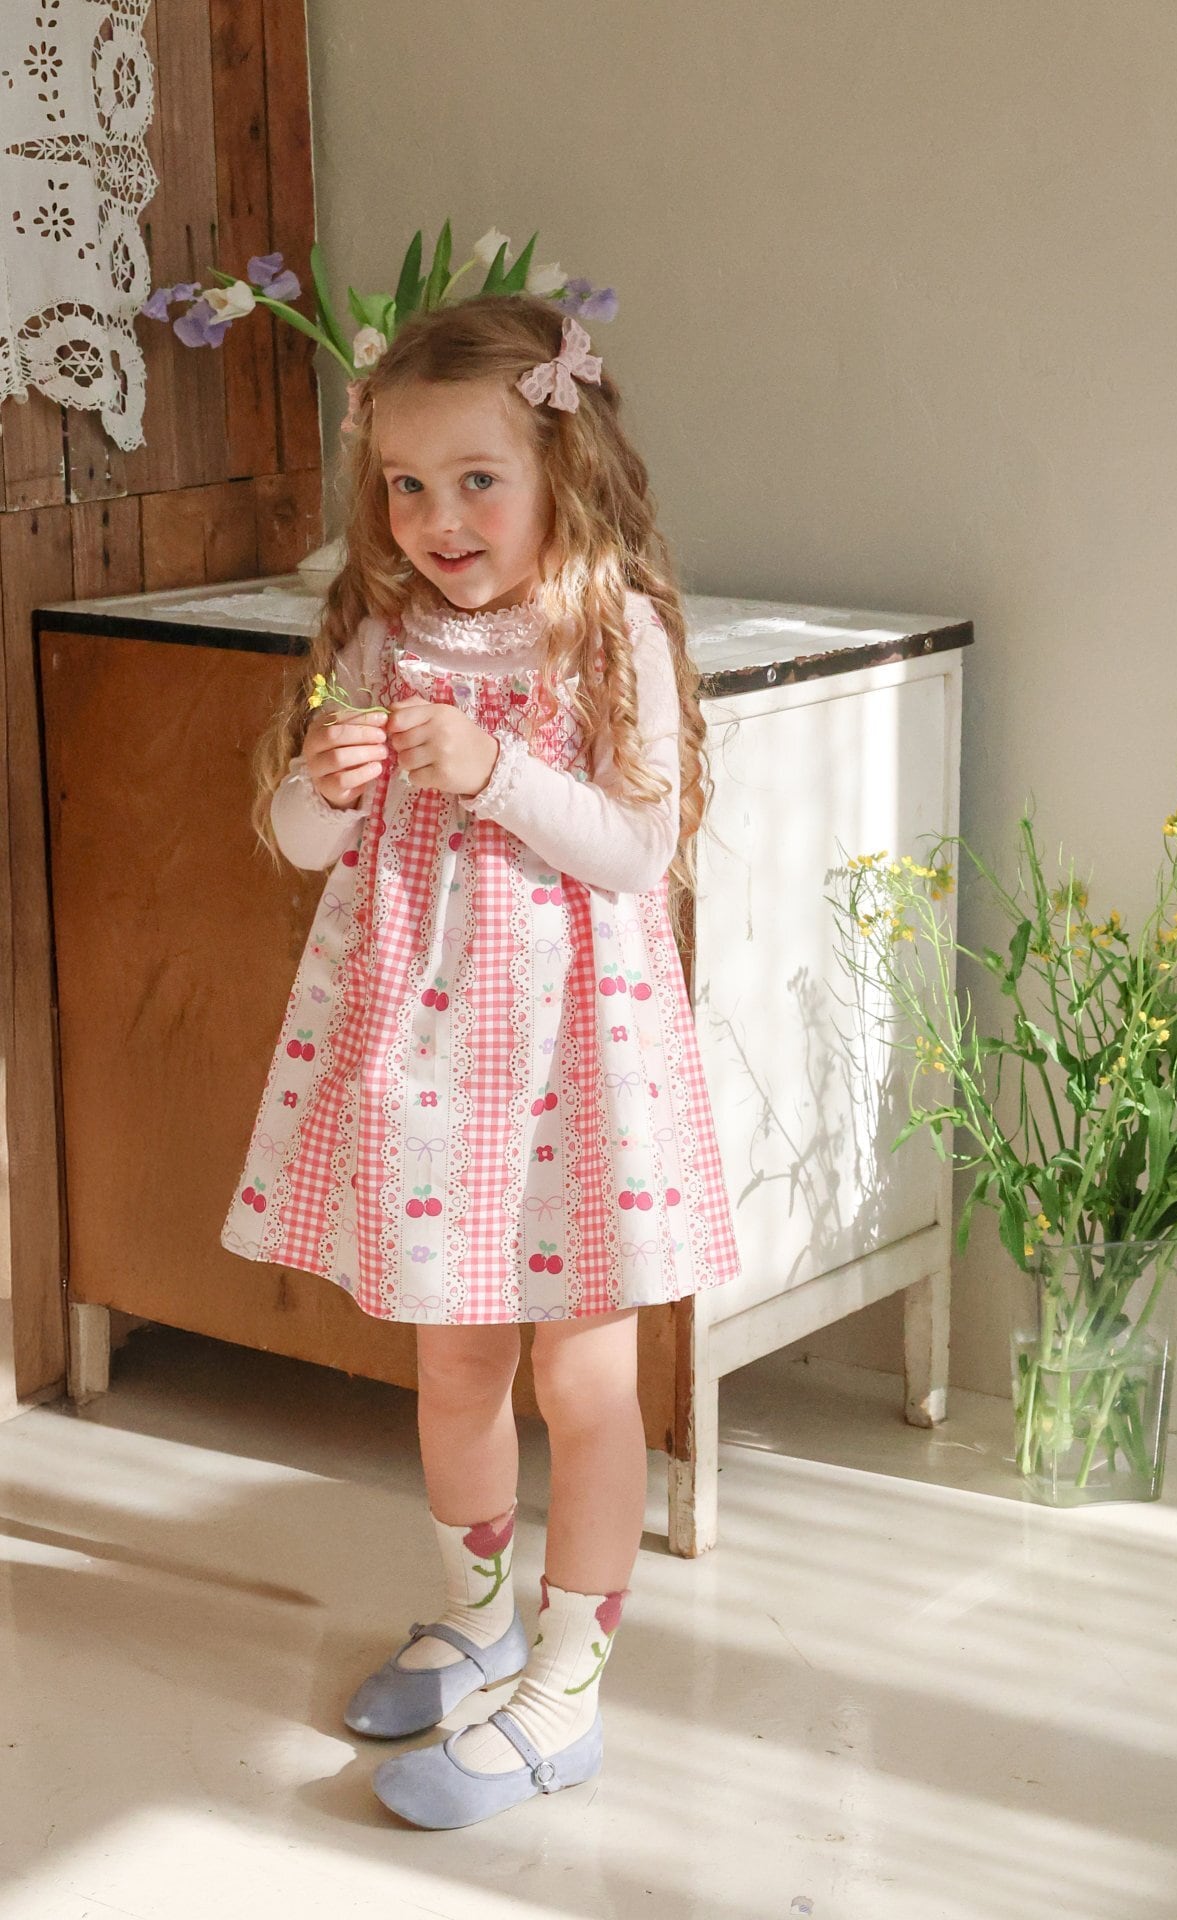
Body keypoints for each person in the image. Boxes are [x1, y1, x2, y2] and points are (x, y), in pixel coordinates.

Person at [222, 294, 740, 1829]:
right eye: (406, 485)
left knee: (583, 1378)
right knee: (454, 1361)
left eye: (476, 480)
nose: (437, 521)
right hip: (432, 1064)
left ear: (562, 468)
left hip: (576, 1069)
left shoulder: (612, 628)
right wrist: (325, 786)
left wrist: (498, 769)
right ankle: (480, 1619)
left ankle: (568, 1687)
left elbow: (638, 845)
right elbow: (299, 843)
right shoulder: (383, 636)